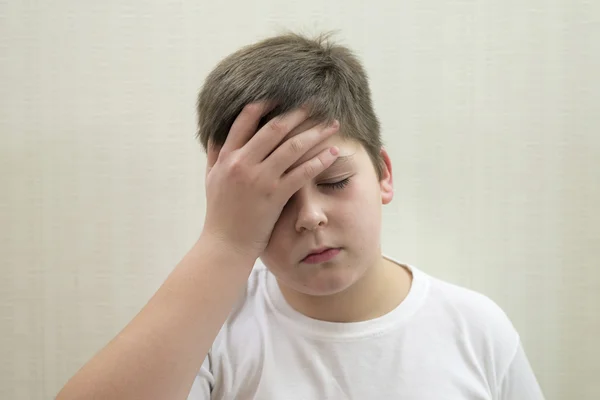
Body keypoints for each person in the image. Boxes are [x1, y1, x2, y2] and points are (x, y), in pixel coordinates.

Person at [57, 32, 545, 400]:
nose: (310, 216)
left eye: (334, 181)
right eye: (275, 199)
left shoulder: (476, 329)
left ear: (383, 174)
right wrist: (225, 241)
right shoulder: (215, 334)